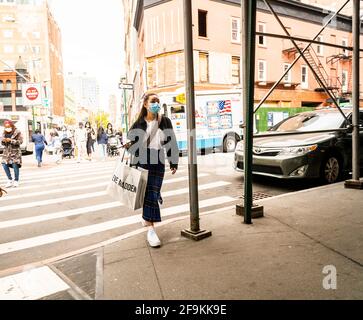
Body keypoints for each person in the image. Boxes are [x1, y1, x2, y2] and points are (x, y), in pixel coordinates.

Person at [125, 93, 179, 248]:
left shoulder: (165, 121)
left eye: (158, 102)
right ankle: (151, 230)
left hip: (158, 160)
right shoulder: (138, 124)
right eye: (153, 101)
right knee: (150, 193)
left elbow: (171, 142)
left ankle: (146, 218)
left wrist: (173, 162)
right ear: (145, 105)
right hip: (143, 160)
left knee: (153, 192)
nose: (156, 104)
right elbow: (131, 143)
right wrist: (131, 147)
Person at [1, 120, 23, 188]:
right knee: (4, 165)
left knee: (15, 165)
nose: (7, 127)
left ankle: (16, 180)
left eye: (8, 126)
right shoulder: (4, 132)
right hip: (6, 153)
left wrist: (11, 140)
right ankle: (9, 180)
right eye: (6, 126)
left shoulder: (17, 132)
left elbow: (20, 141)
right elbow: (2, 143)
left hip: (15, 153)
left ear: (11, 125)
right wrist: (4, 141)